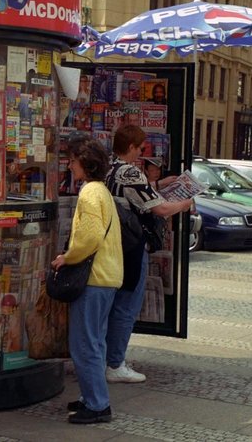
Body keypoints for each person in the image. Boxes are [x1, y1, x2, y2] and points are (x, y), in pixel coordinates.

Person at [104, 125, 193, 384]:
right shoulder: (130, 171)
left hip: (112, 245)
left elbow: (132, 190)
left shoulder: (110, 167)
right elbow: (162, 209)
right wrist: (185, 203)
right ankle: (115, 363)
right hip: (130, 247)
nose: (143, 153)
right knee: (126, 305)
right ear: (131, 147)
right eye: (141, 148)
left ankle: (108, 358)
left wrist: (159, 183)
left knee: (113, 303)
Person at [51, 132, 122, 424]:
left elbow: (89, 235)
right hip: (107, 276)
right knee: (95, 342)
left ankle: (97, 404)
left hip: (93, 278)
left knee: (85, 344)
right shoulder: (102, 190)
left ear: (85, 162)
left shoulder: (90, 192)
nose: (70, 166)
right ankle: (90, 396)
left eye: (73, 160)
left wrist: (67, 257)